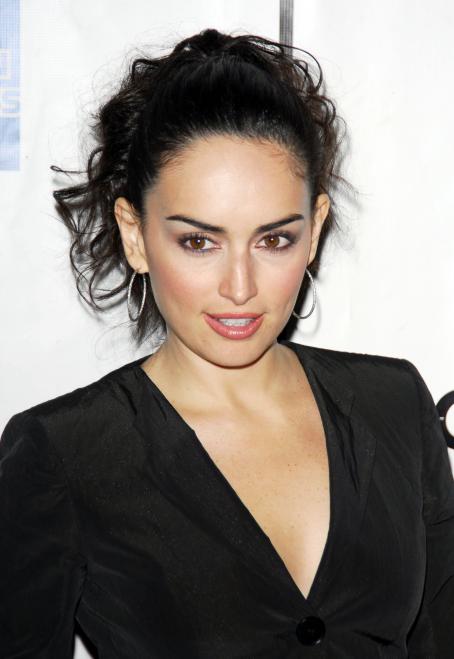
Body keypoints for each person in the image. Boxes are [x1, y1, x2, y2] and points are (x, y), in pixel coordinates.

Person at [1, 27, 453, 659]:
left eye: (274, 239)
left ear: (315, 230)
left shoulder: (395, 404)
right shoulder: (62, 454)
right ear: (135, 234)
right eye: (198, 241)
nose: (239, 287)